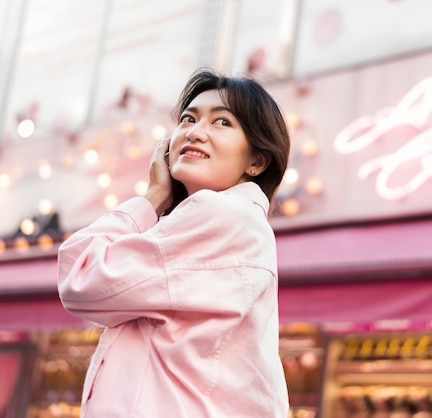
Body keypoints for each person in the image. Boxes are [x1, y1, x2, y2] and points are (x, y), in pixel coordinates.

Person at [57, 68, 291, 417]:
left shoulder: (220, 215)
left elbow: (81, 276)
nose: (195, 133)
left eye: (222, 122)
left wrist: (152, 196)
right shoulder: (228, 222)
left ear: (257, 161)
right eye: (188, 119)